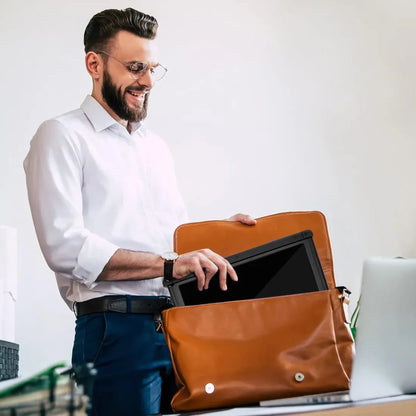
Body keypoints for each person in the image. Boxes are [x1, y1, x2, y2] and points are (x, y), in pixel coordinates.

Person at [23, 7, 256, 416]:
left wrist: (221, 236)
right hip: (115, 332)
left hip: (179, 327)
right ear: (94, 64)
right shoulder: (60, 136)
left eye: (152, 68)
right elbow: (64, 247)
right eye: (135, 67)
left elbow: (168, 241)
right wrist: (168, 266)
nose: (147, 81)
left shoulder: (154, 148)